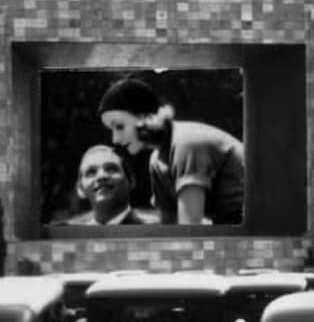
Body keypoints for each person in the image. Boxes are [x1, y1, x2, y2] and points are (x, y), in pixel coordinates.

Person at [97, 77, 245, 225]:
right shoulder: (157, 161)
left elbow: (190, 229)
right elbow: (169, 226)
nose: (115, 139)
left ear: (146, 116)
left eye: (120, 126)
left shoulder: (185, 143)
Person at [66, 144, 158, 226]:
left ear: (131, 180)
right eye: (91, 172)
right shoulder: (67, 233)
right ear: (80, 189)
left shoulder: (157, 227)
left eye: (111, 169)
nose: (101, 176)